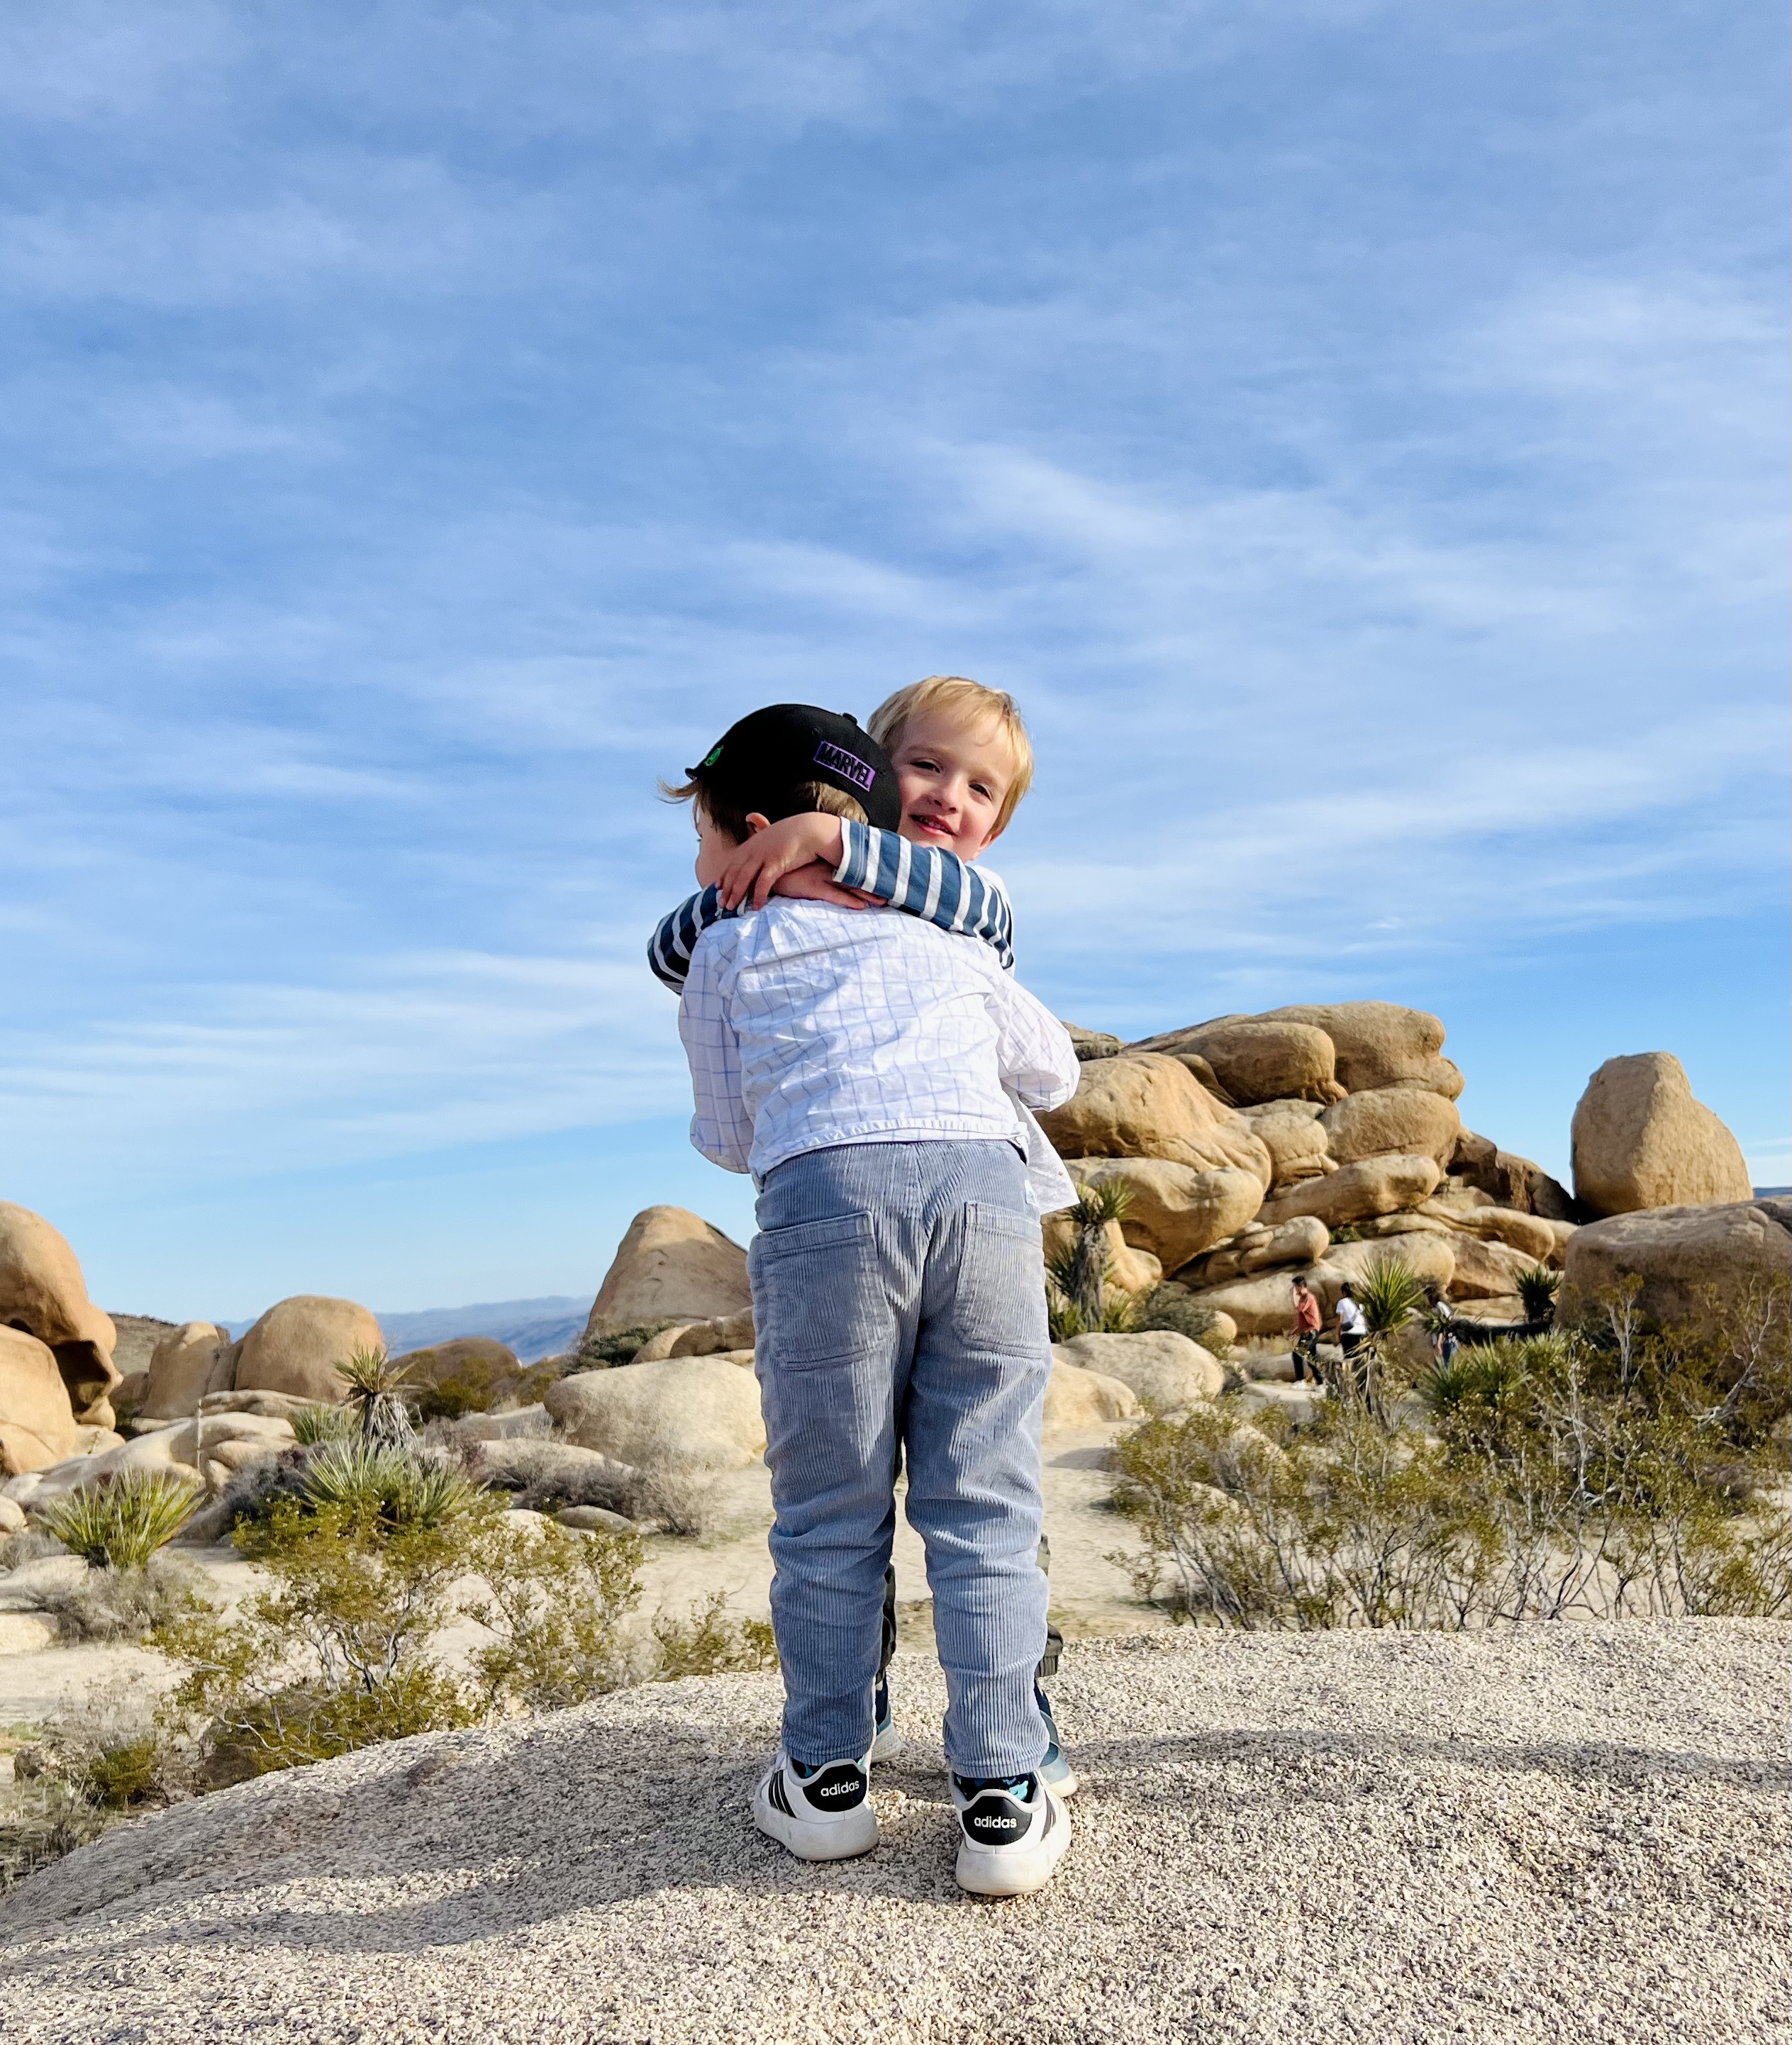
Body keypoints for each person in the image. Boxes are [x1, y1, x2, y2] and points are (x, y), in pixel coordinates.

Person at [665, 696, 1080, 1898]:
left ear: (742, 825)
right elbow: (1051, 1069)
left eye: (978, 784)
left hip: (825, 1203)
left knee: (829, 1508)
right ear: (873, 781)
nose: (949, 795)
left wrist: (785, 875)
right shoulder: (957, 931)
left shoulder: (724, 941)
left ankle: (829, 1776)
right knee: (986, 1504)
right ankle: (1005, 1785)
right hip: (986, 1206)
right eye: (923, 768)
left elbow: (727, 1130)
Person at [1334, 1283, 1369, 1395]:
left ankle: (1350, 1386)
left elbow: (1340, 1321)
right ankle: (1362, 1386)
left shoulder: (1342, 1302)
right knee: (1360, 1360)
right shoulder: (1361, 1303)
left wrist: (1337, 1336)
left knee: (1349, 1359)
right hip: (1362, 1333)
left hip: (1348, 1334)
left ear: (1344, 1292)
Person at [1291, 1276, 1324, 1382]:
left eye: (1295, 1287)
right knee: (1311, 1358)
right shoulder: (1306, 1297)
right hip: (1309, 1332)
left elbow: (1299, 1308)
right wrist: (1295, 1330)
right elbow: (1303, 1318)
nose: (1295, 1290)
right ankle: (1320, 1383)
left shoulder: (1307, 1297)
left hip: (1311, 1332)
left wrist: (1293, 1296)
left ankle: (1300, 1381)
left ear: (1300, 1287)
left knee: (1297, 1354)